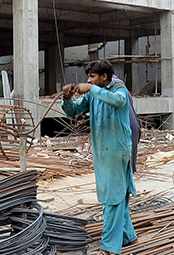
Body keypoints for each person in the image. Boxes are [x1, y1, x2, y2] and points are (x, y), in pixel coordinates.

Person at [62, 60, 137, 255]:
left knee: (112, 197)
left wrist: (90, 89)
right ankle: (127, 235)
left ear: (104, 77)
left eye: (92, 77)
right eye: (88, 77)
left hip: (116, 150)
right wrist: (67, 98)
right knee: (112, 194)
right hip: (101, 151)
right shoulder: (94, 94)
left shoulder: (118, 89)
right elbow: (74, 110)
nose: (89, 80)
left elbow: (118, 102)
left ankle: (110, 247)